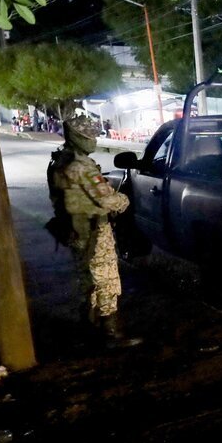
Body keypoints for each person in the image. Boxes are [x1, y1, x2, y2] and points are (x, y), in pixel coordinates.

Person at [47, 116, 141, 349]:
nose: (94, 140)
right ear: (79, 137)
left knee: (88, 280)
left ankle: (90, 327)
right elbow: (107, 199)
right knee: (106, 279)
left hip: (74, 229)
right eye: (90, 136)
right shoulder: (82, 165)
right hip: (94, 229)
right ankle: (111, 333)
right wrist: (124, 200)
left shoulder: (59, 161)